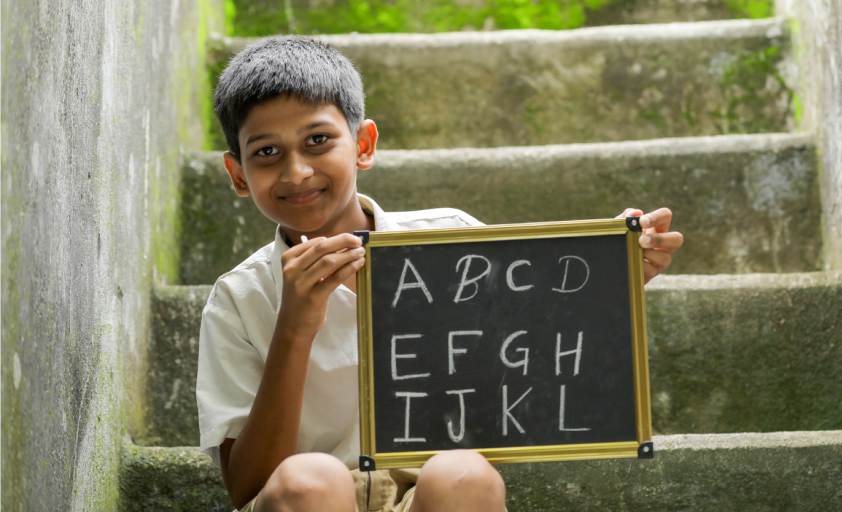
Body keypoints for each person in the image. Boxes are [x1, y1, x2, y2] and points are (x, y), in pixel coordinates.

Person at [196, 35, 684, 512]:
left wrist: (606, 281)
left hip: (428, 497)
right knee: (310, 479)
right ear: (238, 175)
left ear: (363, 144)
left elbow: (533, 356)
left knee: (462, 474)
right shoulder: (239, 299)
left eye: (318, 140)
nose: (297, 170)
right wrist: (295, 328)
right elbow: (246, 486)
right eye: (266, 152)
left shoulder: (453, 245)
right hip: (303, 501)